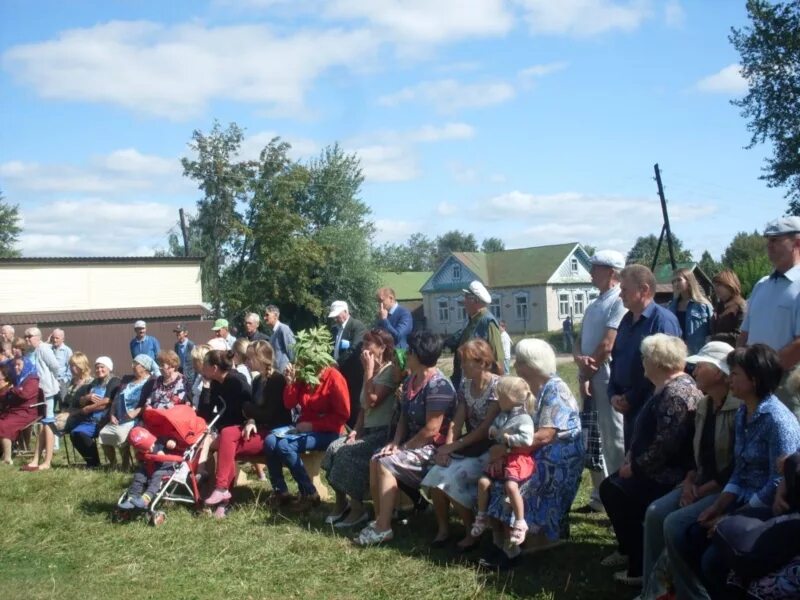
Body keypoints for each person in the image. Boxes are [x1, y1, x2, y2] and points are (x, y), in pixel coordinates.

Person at [665, 344, 800, 599]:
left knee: (713, 559)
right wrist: (718, 507)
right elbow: (739, 469)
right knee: (692, 535)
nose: (730, 378)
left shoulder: (778, 421)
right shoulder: (743, 412)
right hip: (742, 500)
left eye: (736, 374)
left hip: (766, 510)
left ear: (754, 380)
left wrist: (732, 517)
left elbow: (776, 483)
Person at [599, 334, 703, 587]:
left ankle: (639, 565)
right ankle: (631, 552)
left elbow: (667, 444)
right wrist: (632, 455)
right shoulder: (664, 387)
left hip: (669, 474)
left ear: (657, 362)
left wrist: (634, 466)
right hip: (653, 466)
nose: (642, 361)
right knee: (612, 488)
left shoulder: (676, 393)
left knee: (616, 492)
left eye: (645, 357)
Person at [641, 341, 740, 599]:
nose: (693, 371)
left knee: (674, 523)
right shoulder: (705, 405)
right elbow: (697, 457)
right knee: (655, 512)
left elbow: (736, 465)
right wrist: (689, 482)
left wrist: (702, 489)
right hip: (698, 483)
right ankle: (653, 591)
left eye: (701, 366)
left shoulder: (738, 409)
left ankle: (689, 595)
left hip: (725, 489)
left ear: (719, 373)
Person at [478, 338, 584, 570]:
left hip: (559, 458)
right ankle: (504, 543)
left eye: (520, 361)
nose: (516, 366)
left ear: (532, 365)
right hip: (536, 452)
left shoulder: (556, 389)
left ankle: (516, 547)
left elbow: (545, 435)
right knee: (498, 479)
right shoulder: (534, 389)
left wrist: (505, 450)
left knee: (514, 485)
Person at [356, 330, 457, 546]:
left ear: (419, 355)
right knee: (376, 459)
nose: (406, 354)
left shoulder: (439, 385)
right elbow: (403, 415)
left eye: (410, 351)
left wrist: (402, 449)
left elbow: (431, 430)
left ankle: (384, 528)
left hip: (434, 449)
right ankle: (382, 517)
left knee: (385, 463)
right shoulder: (412, 379)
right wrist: (395, 443)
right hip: (413, 444)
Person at [421, 338, 501, 550]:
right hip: (470, 446)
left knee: (450, 480)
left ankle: (472, 532)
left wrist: (452, 447)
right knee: (438, 473)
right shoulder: (466, 384)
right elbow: (457, 421)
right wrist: (446, 447)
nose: (461, 366)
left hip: (491, 448)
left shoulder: (496, 386)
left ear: (482, 362)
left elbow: (485, 429)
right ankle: (443, 529)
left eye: (465, 362)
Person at [262, 331, 350, 510]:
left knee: (285, 446)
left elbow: (343, 415)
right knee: (270, 440)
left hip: (329, 431)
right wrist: (290, 382)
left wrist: (312, 425)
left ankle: (309, 492)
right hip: (304, 428)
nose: (301, 363)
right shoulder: (305, 376)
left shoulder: (333, 377)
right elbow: (289, 403)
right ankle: (281, 491)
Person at [323, 329, 400, 529]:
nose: (364, 349)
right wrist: (356, 429)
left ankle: (358, 509)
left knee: (347, 454)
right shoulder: (370, 370)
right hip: (366, 430)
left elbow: (373, 400)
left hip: (384, 432)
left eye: (369, 344)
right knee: (334, 448)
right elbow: (363, 408)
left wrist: (368, 372)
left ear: (382, 348)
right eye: (363, 344)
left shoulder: (389, 371)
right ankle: (342, 503)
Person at [572, 249, 628, 513]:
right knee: (592, 436)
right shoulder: (596, 303)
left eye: (597, 267)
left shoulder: (618, 301)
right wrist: (581, 366)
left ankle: (619, 497)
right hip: (591, 376)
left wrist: (588, 371)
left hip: (606, 376)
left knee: (613, 436)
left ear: (612, 272)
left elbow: (607, 344)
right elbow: (582, 339)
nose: (591, 272)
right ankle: (599, 496)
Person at [608, 264, 682, 447]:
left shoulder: (663, 321)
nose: (620, 295)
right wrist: (613, 394)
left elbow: (666, 369)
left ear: (644, 289)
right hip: (628, 409)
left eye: (625, 289)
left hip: (651, 408)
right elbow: (616, 359)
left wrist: (631, 398)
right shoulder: (626, 320)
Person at [737, 216, 800, 420]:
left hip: (786, 384)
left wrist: (764, 371)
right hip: (754, 382)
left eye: (776, 240)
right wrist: (740, 366)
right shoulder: (761, 285)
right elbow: (744, 334)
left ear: (797, 243)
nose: (769, 246)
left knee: (788, 447)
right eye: (768, 240)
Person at [472, 376, 536, 546]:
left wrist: (509, 439)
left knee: (511, 486)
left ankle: (520, 522)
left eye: (500, 397)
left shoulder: (524, 419)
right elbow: (496, 425)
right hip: (502, 458)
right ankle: (481, 515)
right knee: (483, 482)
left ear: (511, 399)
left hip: (517, 459)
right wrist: (493, 430)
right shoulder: (504, 414)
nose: (498, 400)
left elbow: (527, 440)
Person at [98, 354, 154, 470]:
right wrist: (112, 413)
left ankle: (125, 462)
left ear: (144, 367)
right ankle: (113, 463)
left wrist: (135, 412)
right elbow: (117, 397)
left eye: (135, 364)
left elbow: (150, 402)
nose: (132, 366)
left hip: (136, 417)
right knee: (103, 434)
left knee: (120, 435)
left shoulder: (151, 381)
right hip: (119, 415)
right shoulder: (127, 379)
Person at [451, 280, 505, 389]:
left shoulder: (488, 322)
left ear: (474, 300)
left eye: (466, 298)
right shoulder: (472, 320)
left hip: (482, 384)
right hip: (467, 379)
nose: (464, 302)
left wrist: (496, 387)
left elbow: (498, 358)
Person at [68, 357, 121, 468]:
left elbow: (107, 402)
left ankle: (113, 463)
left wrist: (88, 409)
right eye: (97, 367)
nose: (99, 370)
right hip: (91, 421)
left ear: (109, 368)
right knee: (76, 433)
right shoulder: (93, 383)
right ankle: (93, 462)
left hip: (106, 420)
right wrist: (88, 397)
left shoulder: (114, 381)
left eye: (102, 367)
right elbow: (79, 402)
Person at [21, 327, 61, 471]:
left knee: (47, 424)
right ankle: (36, 459)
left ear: (37, 337)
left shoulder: (44, 349)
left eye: (29, 336)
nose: (26, 339)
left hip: (48, 391)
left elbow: (56, 366)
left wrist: (52, 381)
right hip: (39, 392)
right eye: (25, 336)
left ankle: (47, 461)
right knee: (43, 425)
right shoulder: (33, 350)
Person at [119, 426, 178, 510]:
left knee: (157, 475)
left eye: (152, 443)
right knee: (139, 474)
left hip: (166, 468)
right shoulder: (141, 451)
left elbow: (170, 443)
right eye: (147, 448)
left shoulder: (159, 443)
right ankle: (132, 498)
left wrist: (172, 442)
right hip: (150, 467)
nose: (152, 446)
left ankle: (146, 499)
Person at [329, 300, 366, 428]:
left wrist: (337, 363)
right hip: (337, 373)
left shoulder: (357, 326)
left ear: (345, 311)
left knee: (353, 401)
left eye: (337, 315)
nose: (335, 319)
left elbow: (354, 349)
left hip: (353, 373)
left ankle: (354, 428)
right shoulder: (334, 329)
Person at [0, 355, 39, 465]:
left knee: (3, 425)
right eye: (15, 365)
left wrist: (13, 389)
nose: (16, 367)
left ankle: (7, 458)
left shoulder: (32, 379)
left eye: (19, 365)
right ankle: (3, 453)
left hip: (27, 412)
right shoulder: (18, 380)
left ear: (26, 365)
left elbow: (25, 395)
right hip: (14, 411)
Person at [668, 267, 713, 355]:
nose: (676, 284)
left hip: (698, 354)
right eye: (673, 281)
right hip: (676, 354)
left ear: (688, 281)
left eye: (679, 280)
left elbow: (711, 332)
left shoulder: (703, 305)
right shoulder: (671, 306)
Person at [54, 351, 94, 436]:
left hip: (79, 416)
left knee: (50, 426)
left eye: (75, 366)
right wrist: (63, 412)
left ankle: (44, 449)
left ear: (82, 366)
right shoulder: (73, 381)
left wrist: (69, 413)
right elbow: (66, 401)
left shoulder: (90, 382)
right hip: (67, 413)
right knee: (46, 424)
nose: (72, 368)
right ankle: (43, 449)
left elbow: (87, 406)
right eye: (71, 365)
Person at [709, 269, 746, 346]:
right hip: (716, 350)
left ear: (730, 284)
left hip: (733, 352)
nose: (715, 289)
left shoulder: (740, 306)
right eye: (714, 286)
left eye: (718, 285)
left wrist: (714, 338)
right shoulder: (719, 306)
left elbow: (739, 335)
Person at [264, 305, 295, 375]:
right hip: (277, 374)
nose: (264, 318)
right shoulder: (273, 334)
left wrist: (292, 368)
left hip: (286, 374)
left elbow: (292, 350)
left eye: (267, 315)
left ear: (276, 316)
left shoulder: (283, 329)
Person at [49, 328, 73, 403]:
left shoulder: (67, 351)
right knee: (51, 402)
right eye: (53, 338)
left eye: (57, 338)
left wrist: (65, 380)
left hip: (62, 381)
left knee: (63, 402)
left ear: (63, 339)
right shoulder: (49, 349)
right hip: (51, 380)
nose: (55, 340)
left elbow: (70, 367)